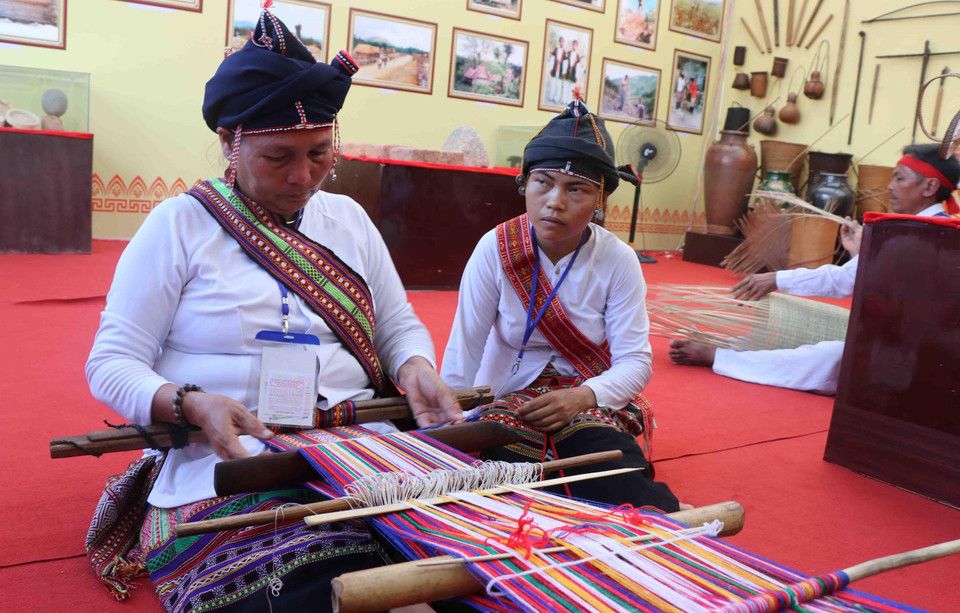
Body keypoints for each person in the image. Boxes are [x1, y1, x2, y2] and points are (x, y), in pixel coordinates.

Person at [84, 11, 461, 612]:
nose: (304, 176)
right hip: (232, 463)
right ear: (233, 144)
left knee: (473, 561)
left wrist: (414, 367)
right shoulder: (179, 226)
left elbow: (396, 326)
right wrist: (189, 403)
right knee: (331, 583)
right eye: (279, 156)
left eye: (319, 154)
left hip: (362, 444)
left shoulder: (349, 220)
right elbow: (111, 363)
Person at [441, 98, 680, 512]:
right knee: (498, 479)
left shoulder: (618, 259)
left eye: (577, 190)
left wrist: (584, 397)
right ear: (524, 185)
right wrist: (450, 424)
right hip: (507, 393)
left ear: (600, 200)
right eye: (543, 183)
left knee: (617, 475)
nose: (555, 201)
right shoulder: (496, 248)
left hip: (586, 394)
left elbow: (635, 362)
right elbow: (465, 348)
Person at [670, 144, 960, 394]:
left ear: (930, 186)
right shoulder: (931, 230)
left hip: (914, 356)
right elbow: (879, 280)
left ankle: (719, 357)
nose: (890, 186)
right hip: (921, 349)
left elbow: (853, 282)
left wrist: (778, 278)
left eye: (899, 178)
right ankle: (729, 349)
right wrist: (863, 255)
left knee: (825, 358)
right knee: (821, 350)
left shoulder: (925, 233)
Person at [547, 36, 566, 104]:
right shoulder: (556, 50)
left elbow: (565, 63)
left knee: (558, 86)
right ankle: (551, 97)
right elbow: (552, 60)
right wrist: (551, 69)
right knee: (553, 84)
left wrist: (564, 72)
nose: (561, 43)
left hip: (560, 71)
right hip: (554, 70)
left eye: (563, 42)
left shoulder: (564, 52)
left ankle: (556, 98)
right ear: (559, 42)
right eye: (561, 41)